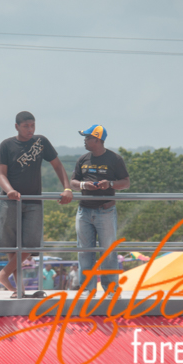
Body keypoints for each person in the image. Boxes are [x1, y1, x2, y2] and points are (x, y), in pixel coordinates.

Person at [0, 111, 73, 298]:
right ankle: (18, 291)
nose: (30, 130)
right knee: (13, 246)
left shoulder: (41, 142)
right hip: (10, 201)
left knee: (30, 244)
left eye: (32, 125)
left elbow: (57, 165)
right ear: (17, 127)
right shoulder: (6, 145)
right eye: (26, 126)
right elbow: (1, 174)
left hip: (34, 201)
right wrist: (10, 190)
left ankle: (3, 274)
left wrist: (67, 188)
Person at [71, 125, 130, 298]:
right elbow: (73, 182)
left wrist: (110, 184)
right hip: (84, 211)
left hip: (106, 210)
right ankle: (87, 289)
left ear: (97, 140)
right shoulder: (82, 159)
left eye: (87, 137)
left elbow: (126, 182)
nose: (84, 141)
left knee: (108, 252)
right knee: (84, 251)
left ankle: (111, 290)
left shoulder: (115, 159)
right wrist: (84, 185)